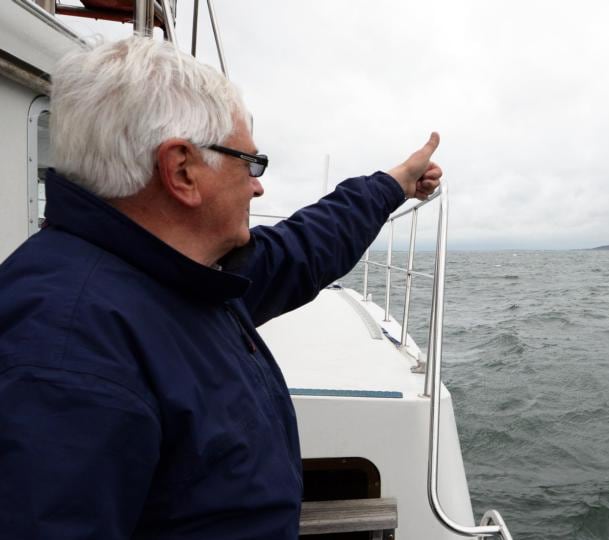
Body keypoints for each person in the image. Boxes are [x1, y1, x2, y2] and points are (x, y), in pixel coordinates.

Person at [0, 36, 440, 539]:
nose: (258, 185)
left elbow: (300, 251)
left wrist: (392, 185)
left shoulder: (172, 273)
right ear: (182, 169)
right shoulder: (64, 354)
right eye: (248, 162)